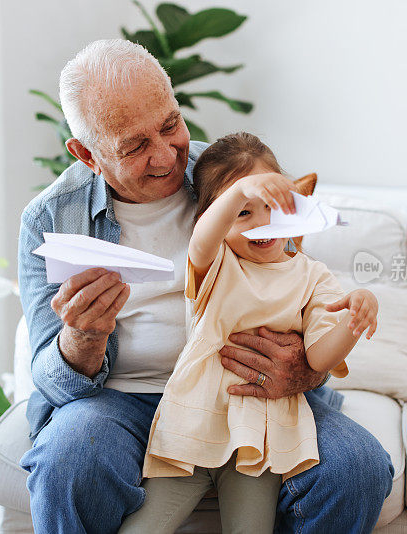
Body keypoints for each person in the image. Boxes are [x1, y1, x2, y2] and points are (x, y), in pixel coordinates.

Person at [18, 38, 394, 534]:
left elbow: (296, 288)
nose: (165, 156)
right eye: (134, 146)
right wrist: (82, 338)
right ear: (86, 153)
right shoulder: (52, 218)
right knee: (70, 459)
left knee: (359, 468)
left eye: (170, 125)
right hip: (122, 399)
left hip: (249, 390)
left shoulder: (228, 174)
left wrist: (300, 367)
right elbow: (50, 378)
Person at [118, 133, 379, 534]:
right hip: (190, 427)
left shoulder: (313, 276)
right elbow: (204, 236)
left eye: (272, 207)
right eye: (243, 213)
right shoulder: (216, 262)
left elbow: (320, 358)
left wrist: (353, 320)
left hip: (259, 436)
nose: (262, 225)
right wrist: (241, 190)